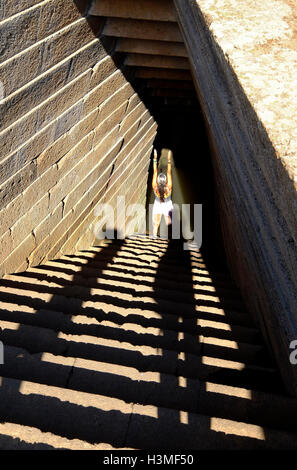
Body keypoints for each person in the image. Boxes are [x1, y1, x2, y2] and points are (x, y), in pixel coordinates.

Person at [152, 149, 173, 237]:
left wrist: (155, 159)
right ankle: (169, 241)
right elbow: (168, 172)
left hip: (157, 205)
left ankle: (154, 237)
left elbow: (155, 172)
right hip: (167, 206)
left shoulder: (155, 187)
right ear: (165, 181)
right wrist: (169, 160)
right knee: (169, 226)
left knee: (156, 224)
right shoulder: (168, 188)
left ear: (157, 181)